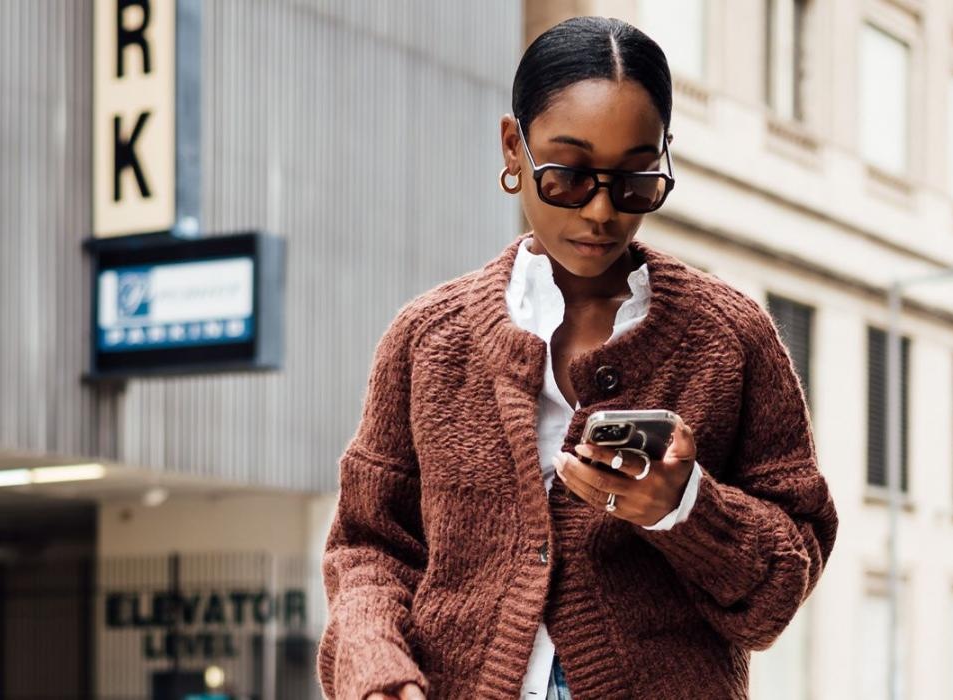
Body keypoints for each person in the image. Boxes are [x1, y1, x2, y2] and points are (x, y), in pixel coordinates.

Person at [316, 16, 838, 700]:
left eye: (633, 181)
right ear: (514, 149)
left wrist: (682, 506)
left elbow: (781, 582)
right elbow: (368, 548)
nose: (600, 211)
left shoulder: (731, 339)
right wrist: (377, 670)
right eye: (568, 175)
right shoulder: (426, 340)